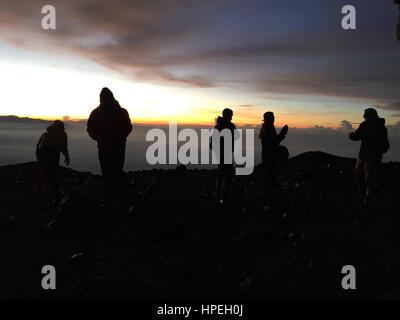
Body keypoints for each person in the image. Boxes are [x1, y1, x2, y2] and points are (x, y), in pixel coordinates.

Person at [87, 88, 132, 200]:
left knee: (108, 172)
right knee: (114, 171)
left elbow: (90, 129)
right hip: (115, 147)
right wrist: (120, 136)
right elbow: (128, 127)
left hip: (109, 147)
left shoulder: (97, 113)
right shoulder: (121, 112)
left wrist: (99, 137)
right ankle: (115, 197)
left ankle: (111, 196)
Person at [349, 108, 389, 207]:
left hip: (372, 157)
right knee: (358, 175)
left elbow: (384, 145)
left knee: (369, 179)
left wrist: (376, 148)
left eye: (366, 116)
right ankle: (363, 196)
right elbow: (357, 136)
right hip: (363, 155)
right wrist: (353, 136)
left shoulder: (380, 127)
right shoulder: (364, 125)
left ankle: (368, 200)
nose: (365, 117)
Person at [259, 112, 289, 204]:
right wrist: (283, 132)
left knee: (269, 177)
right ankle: (268, 199)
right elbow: (274, 142)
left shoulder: (265, 128)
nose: (273, 119)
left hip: (267, 156)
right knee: (270, 177)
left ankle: (267, 197)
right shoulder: (269, 128)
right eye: (272, 117)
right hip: (270, 156)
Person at [36, 120, 70, 199]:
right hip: (53, 152)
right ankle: (54, 192)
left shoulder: (45, 134)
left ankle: (39, 190)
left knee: (42, 171)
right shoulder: (62, 134)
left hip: (42, 152)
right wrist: (67, 156)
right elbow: (64, 146)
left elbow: (38, 145)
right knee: (53, 172)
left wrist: (37, 155)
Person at [211, 108, 236, 202]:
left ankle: (219, 194)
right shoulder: (226, 125)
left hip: (222, 153)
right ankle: (223, 196)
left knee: (222, 173)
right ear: (226, 115)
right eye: (230, 115)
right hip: (223, 153)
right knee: (227, 175)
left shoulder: (220, 125)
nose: (231, 117)